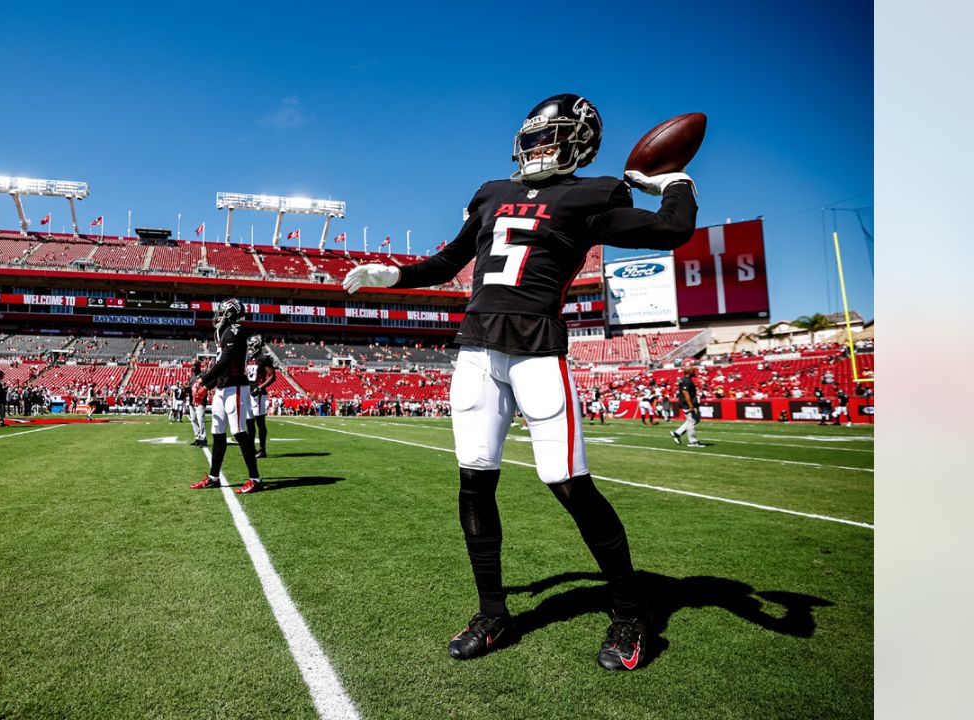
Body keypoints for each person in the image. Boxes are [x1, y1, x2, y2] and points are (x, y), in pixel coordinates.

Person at [342, 93, 698, 670]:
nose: (535, 147)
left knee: (568, 483)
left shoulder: (593, 192)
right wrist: (395, 274)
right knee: (474, 484)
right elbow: (450, 259)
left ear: (578, 142)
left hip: (537, 349)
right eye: (531, 137)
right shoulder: (490, 193)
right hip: (477, 350)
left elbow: (671, 232)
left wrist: (676, 183)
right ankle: (493, 615)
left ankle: (632, 615)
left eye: (548, 137)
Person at [190, 298, 263, 494]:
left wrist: (202, 381)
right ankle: (214, 477)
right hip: (223, 388)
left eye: (222, 312)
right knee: (218, 433)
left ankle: (255, 479)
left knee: (239, 432)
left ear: (230, 313)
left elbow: (225, 362)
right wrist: (210, 385)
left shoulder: (235, 330)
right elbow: (222, 368)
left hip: (235, 388)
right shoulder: (225, 332)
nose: (218, 316)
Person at [245, 335, 277, 458]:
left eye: (251, 344)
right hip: (248, 393)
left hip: (258, 394)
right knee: (249, 423)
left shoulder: (264, 358)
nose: (249, 346)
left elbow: (272, 376)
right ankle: (251, 448)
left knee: (260, 422)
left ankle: (262, 449)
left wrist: (260, 387)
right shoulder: (248, 357)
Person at [670, 367, 706, 448]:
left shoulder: (686, 380)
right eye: (693, 371)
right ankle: (693, 442)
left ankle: (677, 433)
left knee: (695, 420)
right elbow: (686, 393)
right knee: (692, 421)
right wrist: (690, 405)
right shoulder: (686, 381)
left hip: (688, 403)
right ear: (689, 372)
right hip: (687, 404)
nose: (695, 372)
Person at [188, 358, 208, 447]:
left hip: (200, 401)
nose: (192, 367)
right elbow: (191, 389)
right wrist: (185, 389)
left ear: (198, 366)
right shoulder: (192, 377)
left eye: (194, 365)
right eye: (192, 365)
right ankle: (197, 438)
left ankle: (203, 438)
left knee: (200, 420)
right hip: (192, 401)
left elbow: (207, 386)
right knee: (193, 420)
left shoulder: (203, 375)